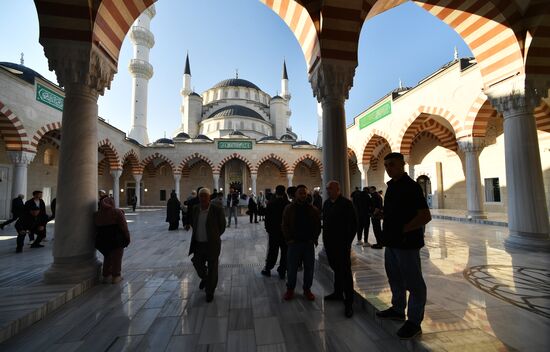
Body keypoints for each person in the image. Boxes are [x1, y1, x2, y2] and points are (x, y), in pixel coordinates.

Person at [375, 152, 431, 340]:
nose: (388, 168)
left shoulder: (411, 187)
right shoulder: (392, 187)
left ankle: (414, 322)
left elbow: (425, 216)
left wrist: (404, 229)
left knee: (414, 283)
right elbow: (397, 214)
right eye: (386, 165)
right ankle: (398, 309)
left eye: (392, 164)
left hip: (406, 244)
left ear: (402, 165)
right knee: (395, 278)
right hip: (392, 243)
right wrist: (383, 215)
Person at [323, 180, 357, 318]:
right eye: (327, 189)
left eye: (330, 189)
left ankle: (349, 302)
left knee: (345, 272)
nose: (327, 191)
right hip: (330, 244)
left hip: (342, 245)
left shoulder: (346, 204)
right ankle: (337, 293)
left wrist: (347, 243)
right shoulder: (326, 204)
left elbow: (353, 225)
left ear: (338, 189)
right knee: (336, 268)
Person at [186, 188, 226, 302]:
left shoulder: (216, 209)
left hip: (212, 244)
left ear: (209, 197)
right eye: (201, 196)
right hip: (198, 244)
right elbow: (193, 222)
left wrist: (214, 236)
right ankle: (206, 278)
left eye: (205, 196)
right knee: (197, 263)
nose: (202, 198)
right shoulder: (195, 209)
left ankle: (210, 291)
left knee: (213, 267)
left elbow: (222, 226)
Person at [281, 184, 321, 301]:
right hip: (294, 244)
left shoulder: (312, 209)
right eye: (300, 193)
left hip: (308, 243)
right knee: (292, 268)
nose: (303, 195)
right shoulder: (289, 209)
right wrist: (289, 239)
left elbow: (317, 226)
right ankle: (290, 289)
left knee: (309, 268)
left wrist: (314, 239)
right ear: (296, 194)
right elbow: (285, 225)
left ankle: (307, 289)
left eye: (304, 193)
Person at [94, 196, 131, 284]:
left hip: (102, 239)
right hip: (115, 238)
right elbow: (123, 226)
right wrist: (127, 237)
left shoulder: (97, 214)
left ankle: (106, 275)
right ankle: (116, 276)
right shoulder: (117, 212)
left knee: (107, 256)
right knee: (117, 257)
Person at [261, 185, 290, 279]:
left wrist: (268, 229)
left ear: (276, 192)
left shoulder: (271, 204)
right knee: (285, 252)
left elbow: (267, 219)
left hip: (274, 232)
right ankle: (282, 271)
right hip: (285, 233)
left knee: (273, 251)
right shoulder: (288, 204)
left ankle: (268, 269)